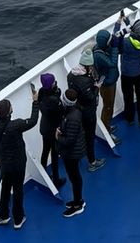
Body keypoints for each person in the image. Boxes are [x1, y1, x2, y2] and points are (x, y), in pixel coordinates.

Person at [0, 90, 40, 228]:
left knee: (5, 189)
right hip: (18, 164)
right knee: (18, 190)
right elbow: (33, 120)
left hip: (5, 165)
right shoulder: (16, 125)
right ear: (9, 111)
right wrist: (35, 102)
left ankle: (3, 215)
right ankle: (18, 219)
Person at [56, 84, 88, 217]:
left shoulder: (73, 117)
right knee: (74, 177)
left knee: (74, 177)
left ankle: (78, 204)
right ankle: (77, 200)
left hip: (72, 153)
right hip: (71, 152)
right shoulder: (72, 112)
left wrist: (58, 136)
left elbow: (70, 140)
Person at [67, 57, 103, 170]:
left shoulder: (70, 75)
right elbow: (90, 97)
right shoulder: (85, 81)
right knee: (89, 136)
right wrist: (97, 88)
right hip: (88, 113)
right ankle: (92, 162)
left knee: (80, 134)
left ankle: (77, 157)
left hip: (78, 110)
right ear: (87, 67)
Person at [116, 16, 140, 126]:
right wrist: (127, 21)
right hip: (139, 72)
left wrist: (121, 27)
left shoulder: (126, 42)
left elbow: (116, 40)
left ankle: (130, 119)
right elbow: (136, 29)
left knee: (128, 97)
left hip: (127, 74)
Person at [36, 72, 64, 186]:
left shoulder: (41, 93)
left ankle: (44, 174)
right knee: (54, 154)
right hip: (53, 129)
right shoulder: (54, 100)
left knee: (45, 150)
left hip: (44, 127)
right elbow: (61, 111)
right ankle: (56, 179)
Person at [92, 30, 121, 137]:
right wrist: (115, 47)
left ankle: (107, 125)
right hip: (107, 85)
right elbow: (112, 64)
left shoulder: (102, 47)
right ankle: (106, 132)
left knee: (110, 106)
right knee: (108, 107)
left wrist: (118, 25)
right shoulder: (98, 55)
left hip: (110, 81)